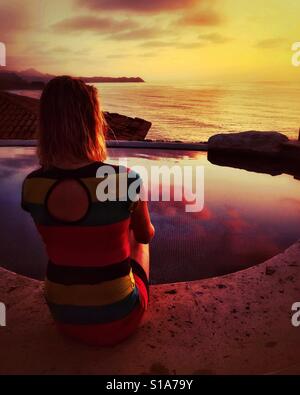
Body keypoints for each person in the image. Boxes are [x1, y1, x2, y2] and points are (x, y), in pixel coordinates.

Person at [21, 76, 155, 346]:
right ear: (93, 121)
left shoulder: (33, 186)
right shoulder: (124, 180)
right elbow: (145, 236)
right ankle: (120, 291)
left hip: (63, 316)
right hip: (120, 317)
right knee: (137, 239)